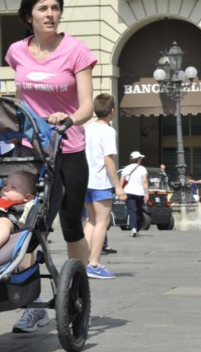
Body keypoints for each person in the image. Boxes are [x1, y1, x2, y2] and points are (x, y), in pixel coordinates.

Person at [4, 0, 96, 333]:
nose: (50, 14)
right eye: (43, 8)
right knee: (28, 225)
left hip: (68, 147)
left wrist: (70, 118)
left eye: (55, 7)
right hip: (30, 149)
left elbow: (86, 104)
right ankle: (32, 306)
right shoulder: (16, 51)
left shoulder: (76, 50)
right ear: (29, 16)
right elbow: (20, 93)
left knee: (70, 223)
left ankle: (77, 291)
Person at [83, 94, 125, 279]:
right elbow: (108, 159)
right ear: (112, 111)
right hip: (100, 181)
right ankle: (94, 263)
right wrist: (118, 186)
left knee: (91, 220)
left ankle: (82, 261)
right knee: (102, 222)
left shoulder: (87, 128)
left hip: (85, 180)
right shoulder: (108, 131)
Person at [123, 151, 148, 237]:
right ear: (138, 159)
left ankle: (133, 228)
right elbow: (144, 181)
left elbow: (121, 180)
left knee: (132, 211)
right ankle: (136, 228)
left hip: (128, 192)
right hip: (139, 193)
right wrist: (146, 193)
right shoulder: (142, 169)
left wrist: (120, 191)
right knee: (139, 210)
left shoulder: (126, 168)